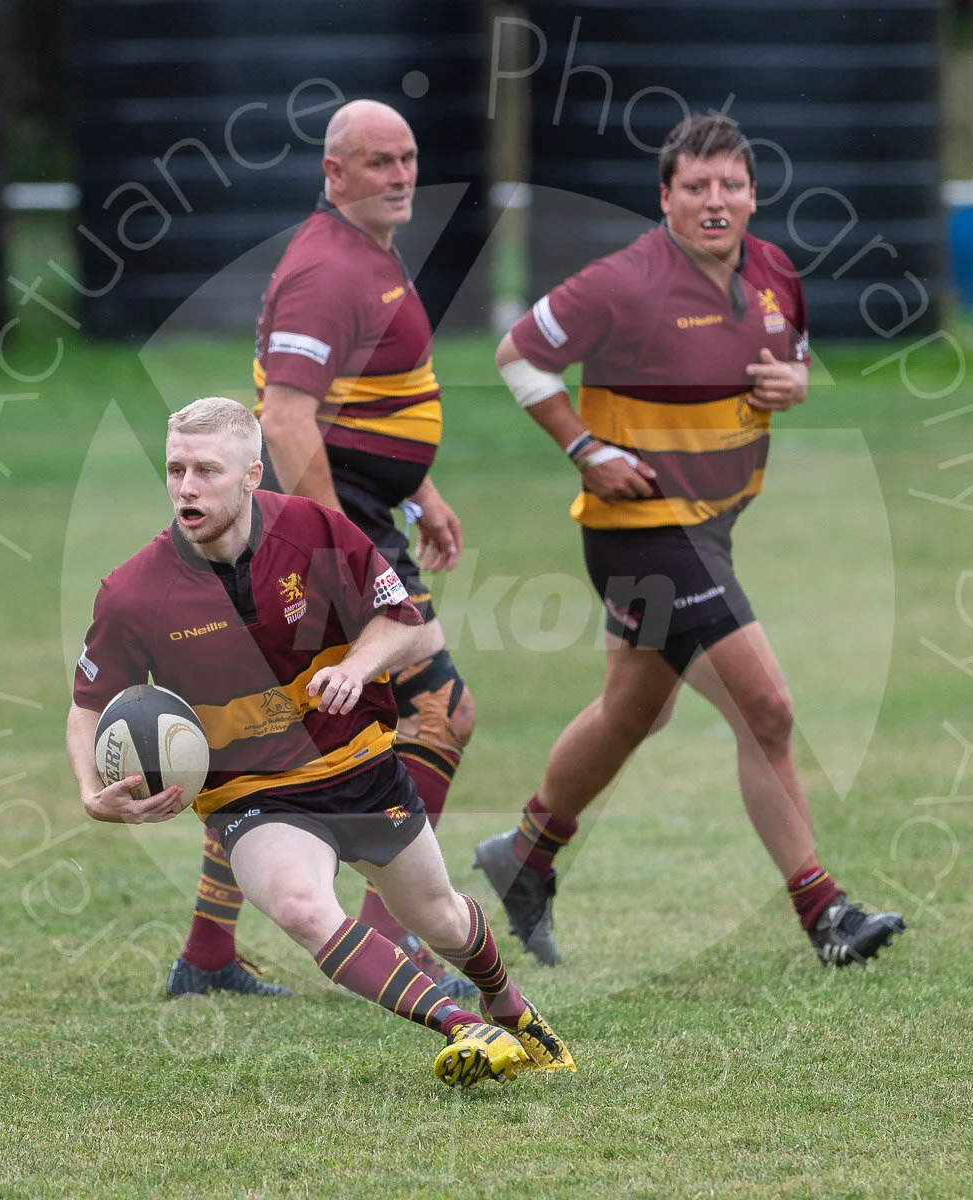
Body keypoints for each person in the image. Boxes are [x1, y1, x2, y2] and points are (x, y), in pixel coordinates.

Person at [474, 113, 906, 969]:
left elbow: (792, 358)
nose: (716, 201)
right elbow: (518, 354)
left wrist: (796, 383)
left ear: (753, 195)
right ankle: (824, 911)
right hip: (645, 533)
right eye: (697, 186)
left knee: (636, 711)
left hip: (711, 529)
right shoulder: (623, 282)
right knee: (767, 710)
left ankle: (525, 853)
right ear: (665, 198)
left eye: (731, 185)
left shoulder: (774, 270)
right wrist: (585, 449)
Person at [65, 398, 573, 1088]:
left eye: (207, 471)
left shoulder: (313, 530)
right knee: (303, 908)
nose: (186, 488)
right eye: (176, 469)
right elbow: (89, 704)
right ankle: (462, 1027)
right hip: (253, 796)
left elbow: (402, 620)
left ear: (252, 475)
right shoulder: (134, 594)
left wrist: (357, 667)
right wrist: (91, 794)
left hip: (360, 767)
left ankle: (507, 1004)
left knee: (442, 918)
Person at [167, 100, 481, 1002]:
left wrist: (419, 488)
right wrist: (338, 547)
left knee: (276, 734)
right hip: (327, 525)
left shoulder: (369, 251)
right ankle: (395, 930)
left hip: (365, 511)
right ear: (333, 173)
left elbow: (369, 398)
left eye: (408, 157)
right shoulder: (326, 268)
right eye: (379, 162)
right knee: (439, 712)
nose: (400, 175)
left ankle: (209, 956)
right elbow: (286, 416)